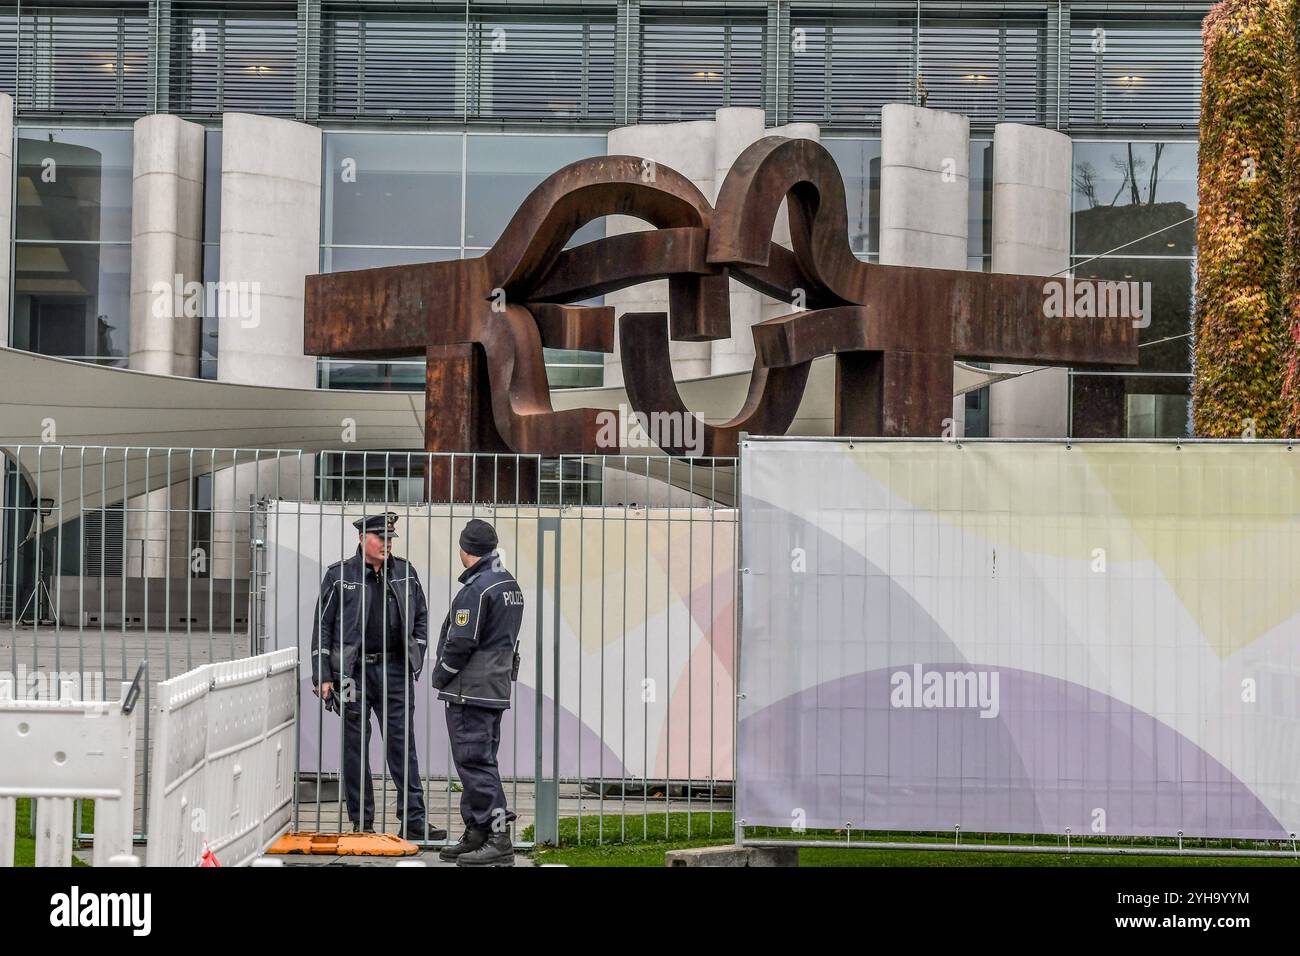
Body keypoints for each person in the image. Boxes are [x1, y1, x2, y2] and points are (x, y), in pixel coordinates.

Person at [311, 512, 444, 841]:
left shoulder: (405, 573)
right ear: (361, 538)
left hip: (395, 671)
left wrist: (416, 652)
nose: (386, 544)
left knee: (403, 747)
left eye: (389, 539)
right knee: (354, 747)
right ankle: (362, 823)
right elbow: (323, 628)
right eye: (380, 538)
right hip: (352, 674)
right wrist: (323, 676)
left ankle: (413, 820)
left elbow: (422, 618)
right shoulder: (339, 575)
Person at [432, 518, 525, 866]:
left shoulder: (477, 588)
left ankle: (498, 839)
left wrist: (441, 675)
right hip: (493, 688)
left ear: (465, 549)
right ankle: (478, 832)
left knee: (474, 762)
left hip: (470, 690)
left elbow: (460, 642)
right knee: (479, 761)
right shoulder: (507, 583)